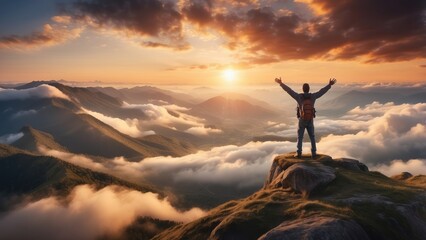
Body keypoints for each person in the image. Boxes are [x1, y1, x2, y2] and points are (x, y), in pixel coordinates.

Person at [275, 77, 336, 158]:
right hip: (310, 119)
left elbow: (289, 91)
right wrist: (329, 85)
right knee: (312, 136)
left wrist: (281, 83)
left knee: (300, 136)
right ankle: (313, 153)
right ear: (309, 89)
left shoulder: (299, 97)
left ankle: (299, 152)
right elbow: (322, 92)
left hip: (302, 119)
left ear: (303, 89)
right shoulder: (313, 96)